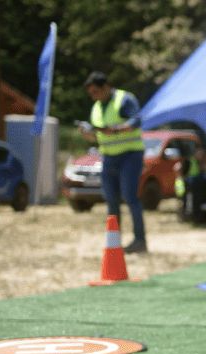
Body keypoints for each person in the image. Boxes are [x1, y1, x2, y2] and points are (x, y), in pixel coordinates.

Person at [79, 72, 148, 253]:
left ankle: (140, 241)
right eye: (91, 93)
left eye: (96, 91)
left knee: (130, 197)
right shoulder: (96, 107)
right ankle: (114, 241)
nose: (93, 96)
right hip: (108, 158)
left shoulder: (124, 99)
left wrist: (116, 129)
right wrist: (88, 135)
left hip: (130, 155)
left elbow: (136, 121)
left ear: (106, 87)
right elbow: (97, 136)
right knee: (111, 200)